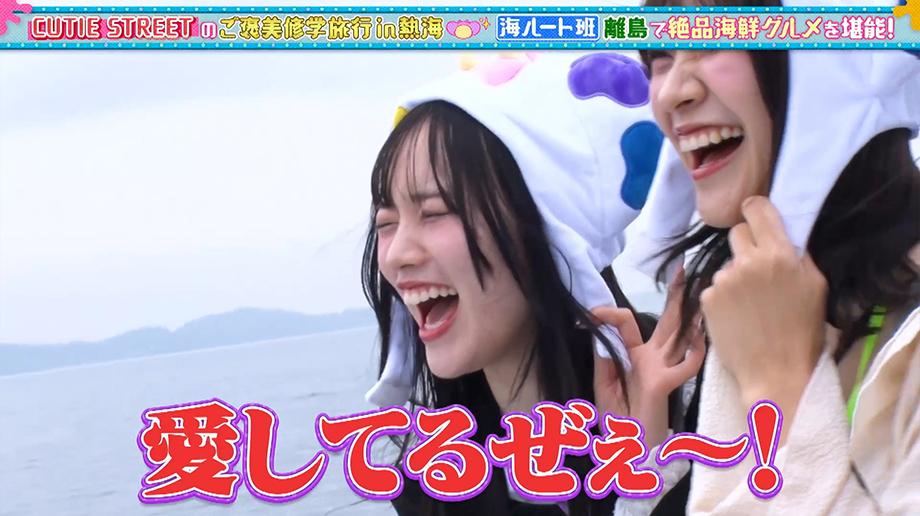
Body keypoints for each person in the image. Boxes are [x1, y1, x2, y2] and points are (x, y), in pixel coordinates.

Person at [360, 52, 701, 515]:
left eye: (435, 212)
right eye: (386, 222)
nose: (397, 254)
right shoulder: (434, 485)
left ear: (548, 229)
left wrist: (647, 469)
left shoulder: (701, 400)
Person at [613, 0, 920, 513]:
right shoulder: (734, 302)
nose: (669, 93)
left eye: (714, 36)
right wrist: (648, 456)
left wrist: (779, 385)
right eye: (660, 56)